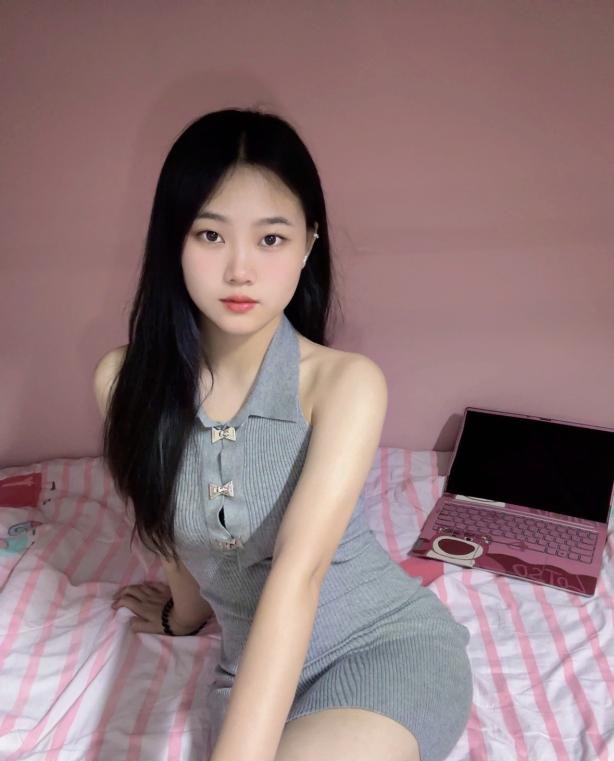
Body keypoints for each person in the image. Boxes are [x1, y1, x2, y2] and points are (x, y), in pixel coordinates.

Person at [93, 107, 472, 761]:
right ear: (172, 240)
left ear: (308, 243)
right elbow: (171, 532)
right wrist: (184, 615)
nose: (240, 269)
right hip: (252, 674)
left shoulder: (344, 384)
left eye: (270, 238)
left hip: (380, 651)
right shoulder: (123, 383)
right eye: (210, 235)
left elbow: (301, 573)